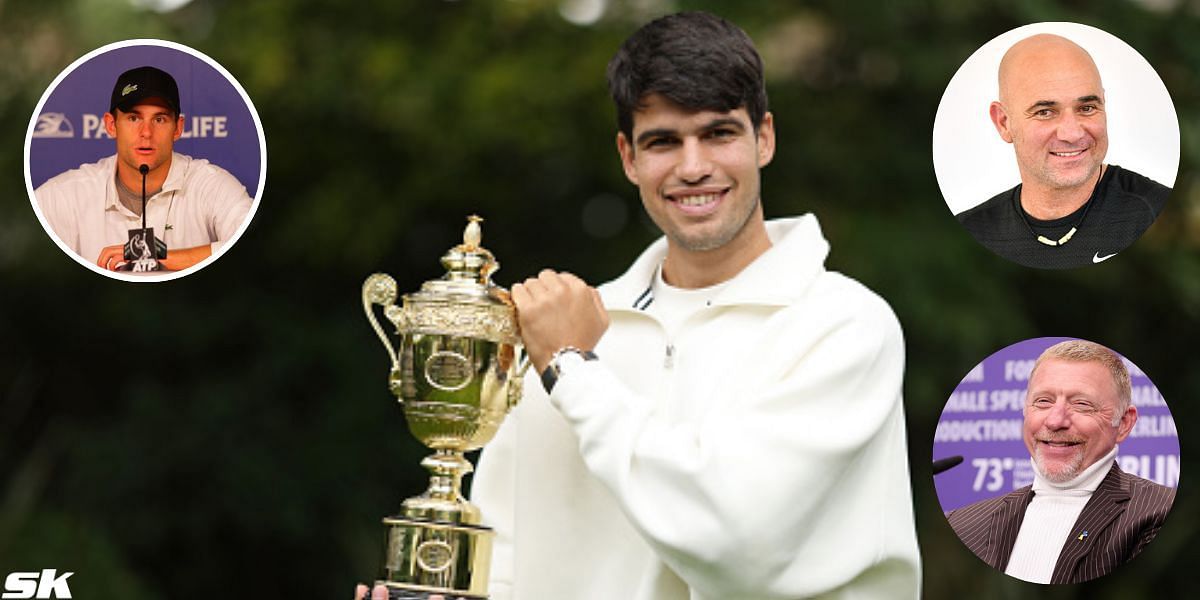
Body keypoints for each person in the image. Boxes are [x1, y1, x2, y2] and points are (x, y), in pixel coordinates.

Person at [362, 12, 919, 600]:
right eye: (663, 142)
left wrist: (573, 369)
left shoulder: (843, 324)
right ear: (629, 157)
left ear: (765, 138)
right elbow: (507, 553)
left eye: (719, 133)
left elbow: (734, 541)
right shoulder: (563, 328)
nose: (693, 166)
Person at [946, 340, 1174, 584]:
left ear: (1124, 423)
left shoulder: (1157, 515)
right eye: (1043, 401)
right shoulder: (965, 522)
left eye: (1082, 404)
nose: (1055, 421)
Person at [956, 33, 1171, 269]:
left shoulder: (1157, 215)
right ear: (1004, 123)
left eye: (1087, 108)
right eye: (1045, 112)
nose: (1072, 134)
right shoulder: (971, 230)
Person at [35, 65, 252, 272]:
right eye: (133, 118)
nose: (146, 132)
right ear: (111, 125)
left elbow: (253, 246)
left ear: (178, 128)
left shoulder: (211, 184)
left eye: (159, 119)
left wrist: (158, 254)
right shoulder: (63, 194)